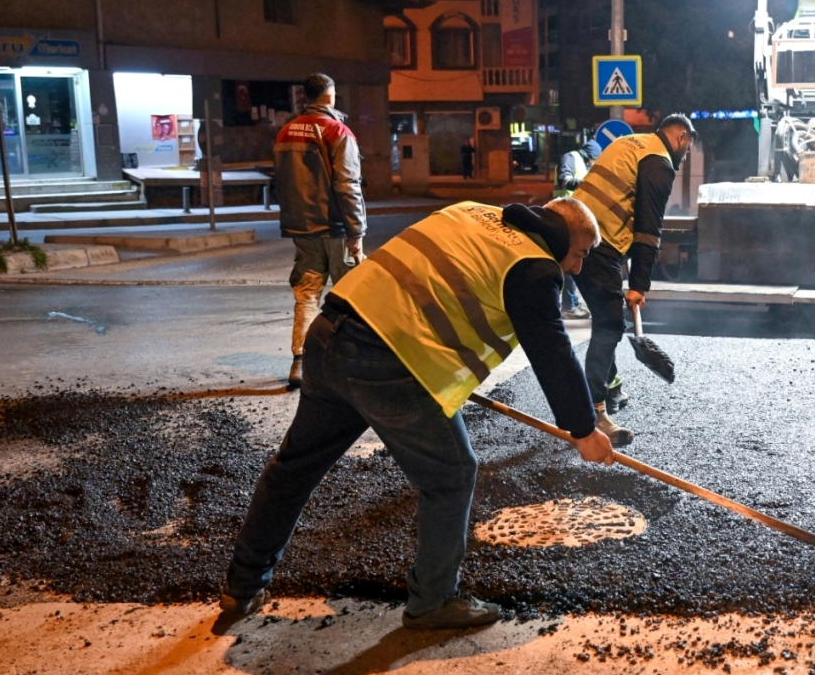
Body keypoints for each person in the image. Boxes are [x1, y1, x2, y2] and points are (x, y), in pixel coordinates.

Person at [219, 198, 614, 629]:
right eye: (580, 254)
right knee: (452, 475)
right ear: (562, 234)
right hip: (387, 364)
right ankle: (433, 600)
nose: (576, 268)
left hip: (331, 332)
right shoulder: (534, 267)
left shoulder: (471, 211)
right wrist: (583, 429)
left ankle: (242, 586)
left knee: (294, 469)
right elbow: (552, 351)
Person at [573, 113, 696, 446]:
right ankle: (594, 415)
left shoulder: (630, 143)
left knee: (605, 317)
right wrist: (639, 284)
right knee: (611, 325)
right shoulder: (658, 160)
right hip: (597, 244)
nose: (684, 158)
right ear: (681, 137)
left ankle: (610, 388)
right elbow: (648, 228)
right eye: (687, 149)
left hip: (572, 235)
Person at [276, 74, 367, 390]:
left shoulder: (286, 131)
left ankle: (300, 362)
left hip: (302, 228)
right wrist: (356, 230)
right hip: (335, 226)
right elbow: (347, 184)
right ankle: (354, 364)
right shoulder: (337, 131)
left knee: (307, 294)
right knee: (353, 295)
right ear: (330, 97)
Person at [555, 138, 602, 320]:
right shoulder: (570, 157)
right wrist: (587, 185)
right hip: (564, 215)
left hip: (574, 216)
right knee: (570, 261)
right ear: (591, 156)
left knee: (574, 261)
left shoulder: (583, 163)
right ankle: (568, 305)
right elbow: (565, 181)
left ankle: (571, 302)